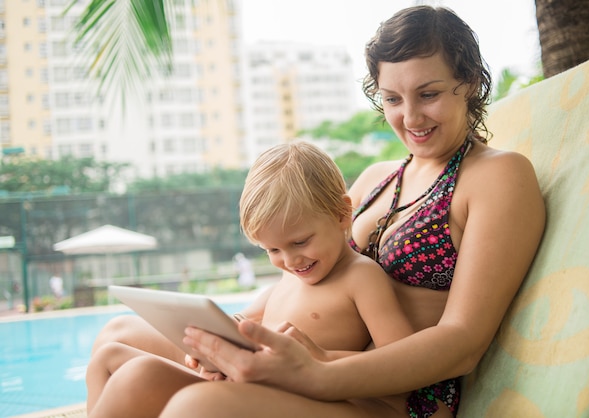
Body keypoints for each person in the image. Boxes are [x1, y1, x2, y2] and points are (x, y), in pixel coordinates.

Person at [88, 5, 545, 417]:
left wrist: (316, 371)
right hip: (322, 376)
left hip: (396, 399)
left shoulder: (496, 176)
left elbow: (462, 342)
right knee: (130, 364)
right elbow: (306, 275)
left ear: (468, 82)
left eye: (428, 94)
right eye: (391, 99)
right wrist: (231, 340)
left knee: (197, 407)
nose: (410, 117)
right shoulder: (376, 179)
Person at [86, 141, 415, 416]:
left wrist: (319, 357)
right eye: (272, 249)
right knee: (109, 352)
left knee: (137, 376)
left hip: (303, 397)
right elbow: (242, 322)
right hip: (246, 378)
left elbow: (401, 361)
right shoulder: (291, 279)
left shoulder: (360, 277)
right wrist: (206, 351)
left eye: (300, 242)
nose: (289, 260)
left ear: (343, 214)